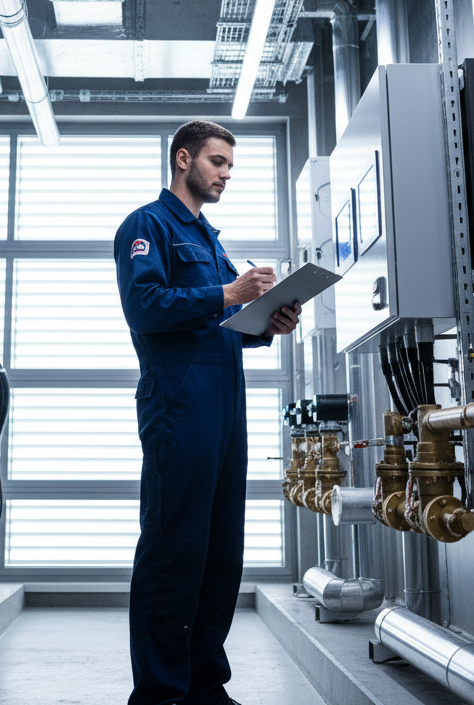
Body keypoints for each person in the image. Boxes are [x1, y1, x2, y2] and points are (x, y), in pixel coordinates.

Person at [114, 120, 301, 705]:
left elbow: (224, 327)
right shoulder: (148, 226)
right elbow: (146, 308)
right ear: (182, 159)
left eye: (230, 167)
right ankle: (161, 693)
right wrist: (229, 293)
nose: (225, 175)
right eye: (217, 162)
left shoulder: (212, 241)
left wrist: (268, 321)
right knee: (176, 547)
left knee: (221, 550)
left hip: (225, 407)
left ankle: (203, 688)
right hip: (179, 404)